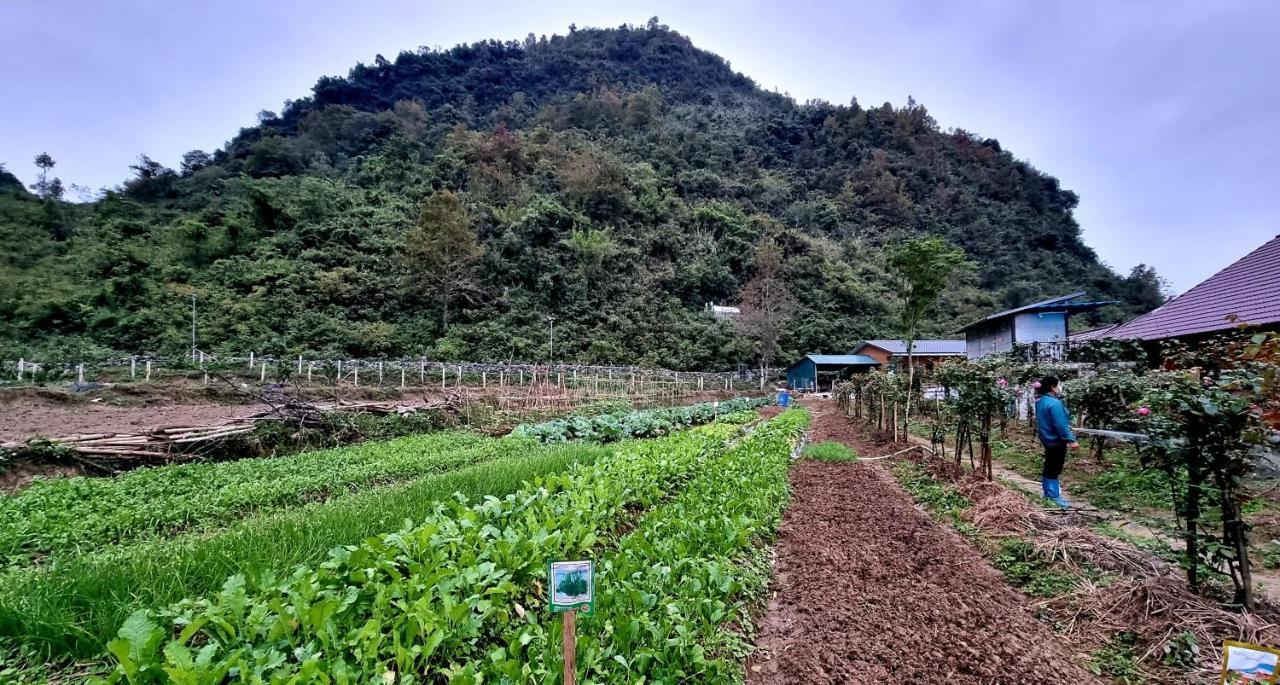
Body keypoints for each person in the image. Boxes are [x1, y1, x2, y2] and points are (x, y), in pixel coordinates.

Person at [1034, 375, 1079, 508]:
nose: (1060, 388)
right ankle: (1053, 496)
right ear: (1053, 387)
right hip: (1056, 441)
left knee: (1049, 466)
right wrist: (1071, 439)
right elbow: (1059, 425)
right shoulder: (1055, 403)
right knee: (1054, 468)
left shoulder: (1042, 401)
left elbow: (1050, 420)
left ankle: (1049, 493)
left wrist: (1066, 425)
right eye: (1058, 385)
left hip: (1047, 439)